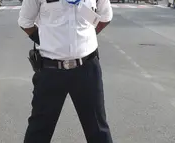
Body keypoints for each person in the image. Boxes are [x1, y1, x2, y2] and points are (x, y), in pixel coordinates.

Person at [18, 0, 113, 142]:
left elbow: (105, 17)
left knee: (98, 130)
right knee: (38, 130)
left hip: (87, 68)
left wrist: (86, 38)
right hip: (51, 71)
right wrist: (46, 41)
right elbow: (25, 21)